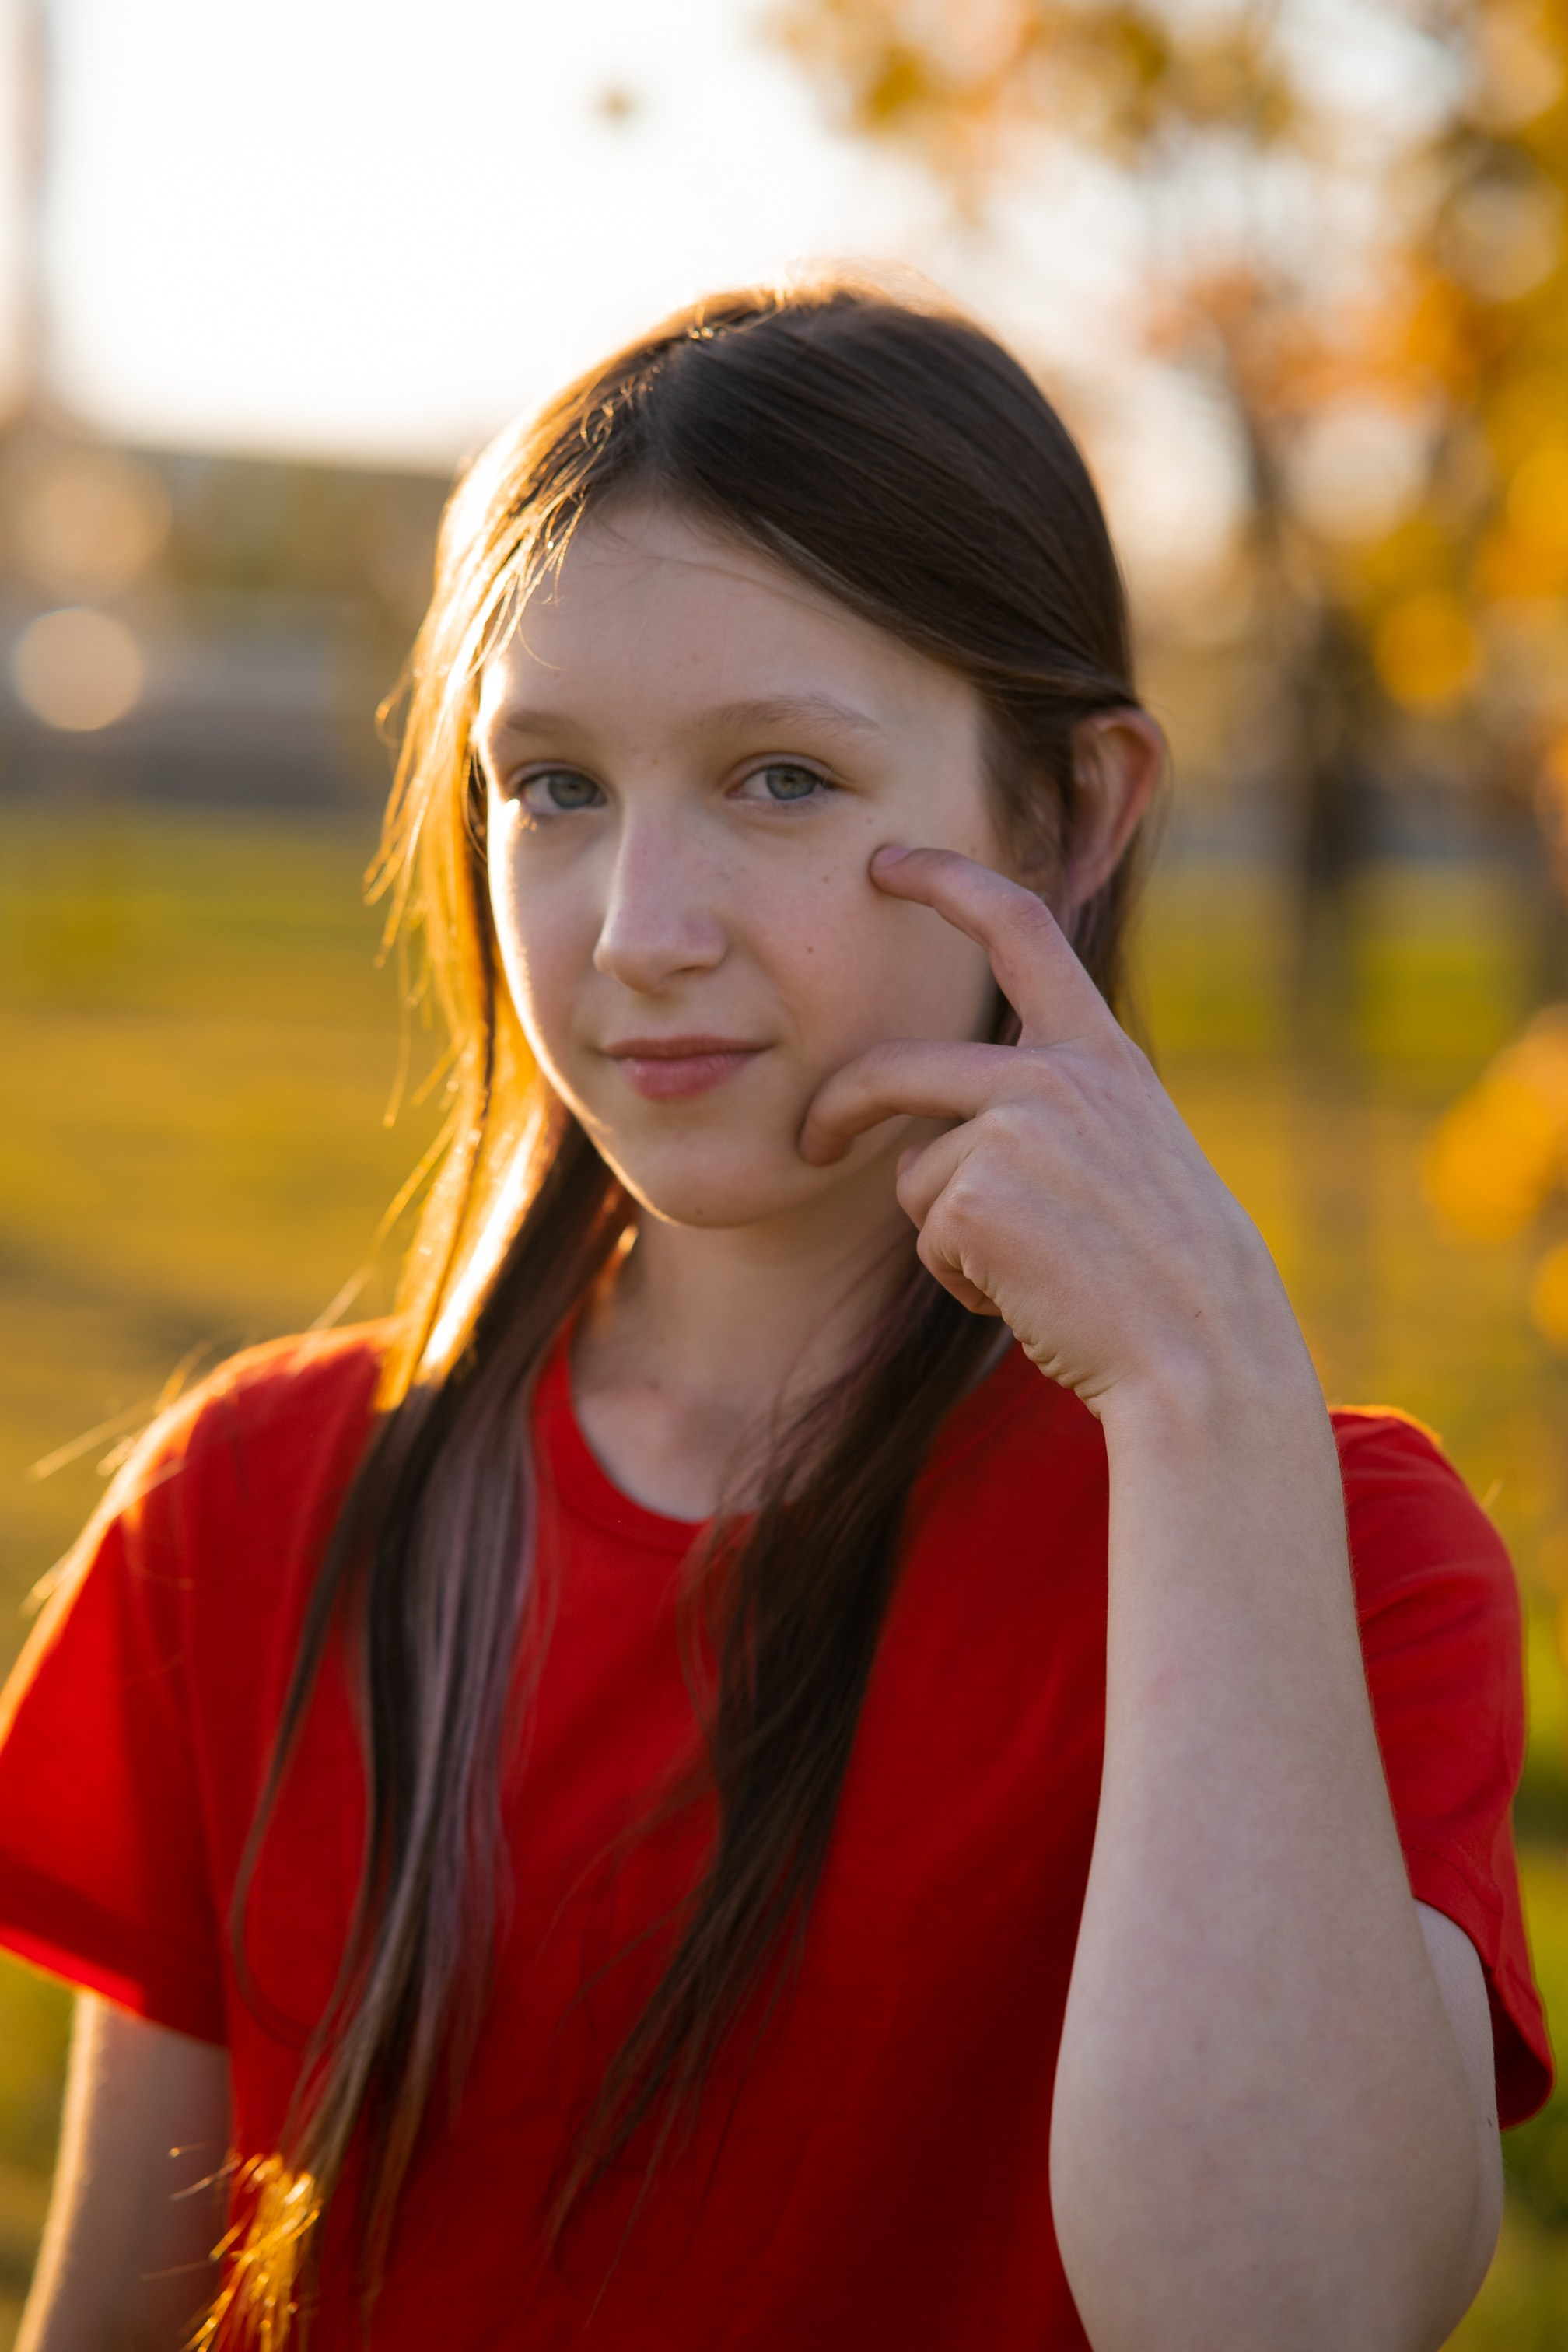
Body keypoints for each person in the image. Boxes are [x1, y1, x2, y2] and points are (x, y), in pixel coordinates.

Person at [0, 278, 1550, 2352]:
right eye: (552, 785)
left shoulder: (1328, 1547)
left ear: (1076, 814)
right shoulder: (254, 1514)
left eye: (784, 781)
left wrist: (1199, 1397)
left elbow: (1282, 2311)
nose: (641, 931)